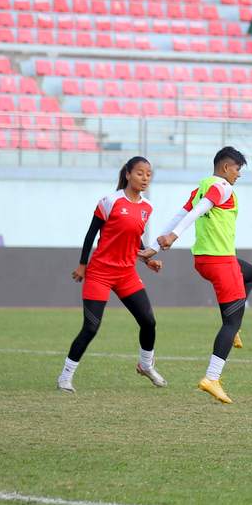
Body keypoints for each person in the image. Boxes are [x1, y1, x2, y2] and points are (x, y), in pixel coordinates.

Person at [146, 147, 252, 404]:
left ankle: (235, 323)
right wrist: (172, 237)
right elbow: (198, 211)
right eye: (238, 169)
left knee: (251, 273)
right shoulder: (222, 187)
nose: (238, 175)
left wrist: (154, 246)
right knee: (230, 323)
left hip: (204, 260)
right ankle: (212, 378)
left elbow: (181, 214)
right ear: (226, 167)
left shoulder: (201, 187)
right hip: (221, 261)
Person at [58, 156, 165, 394]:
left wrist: (147, 260)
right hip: (100, 272)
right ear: (127, 174)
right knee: (91, 327)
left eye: (148, 174)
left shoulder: (147, 207)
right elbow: (90, 234)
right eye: (140, 173)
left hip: (126, 273)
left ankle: (146, 365)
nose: (145, 178)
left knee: (148, 321)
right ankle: (65, 376)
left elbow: (133, 238)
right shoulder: (109, 201)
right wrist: (82, 265)